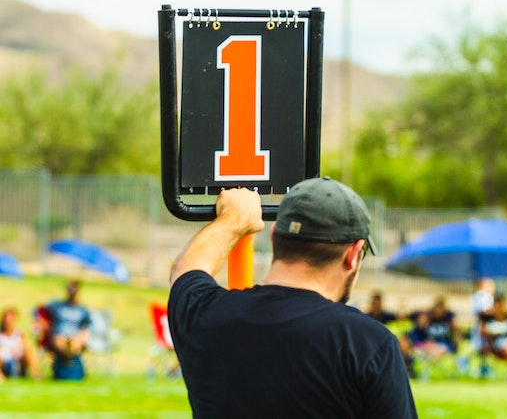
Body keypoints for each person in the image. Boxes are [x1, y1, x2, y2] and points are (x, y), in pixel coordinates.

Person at [168, 177, 417, 418]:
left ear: (275, 237)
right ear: (353, 254)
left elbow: (186, 269)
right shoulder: (366, 343)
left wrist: (234, 219)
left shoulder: (206, 316)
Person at [45, 280, 92, 380]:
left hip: (75, 339)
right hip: (59, 337)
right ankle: (70, 369)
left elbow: (86, 328)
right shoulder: (57, 306)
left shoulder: (82, 310)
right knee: (61, 341)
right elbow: (39, 311)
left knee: (74, 342)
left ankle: (66, 369)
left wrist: (81, 337)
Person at [0, 306, 41, 381]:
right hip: (4, 363)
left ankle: (36, 375)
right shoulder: (1, 335)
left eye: (10, 319)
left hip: (18, 362)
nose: (7, 321)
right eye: (5, 318)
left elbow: (28, 347)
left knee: (29, 351)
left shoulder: (20, 335)